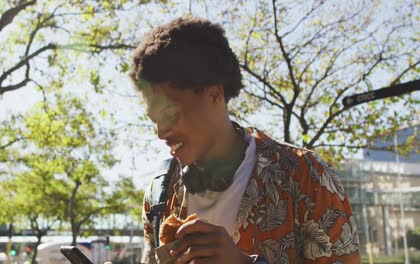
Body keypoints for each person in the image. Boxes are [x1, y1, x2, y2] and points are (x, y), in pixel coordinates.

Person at [129, 17, 361, 264]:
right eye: (154, 119)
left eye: (170, 114)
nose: (161, 132)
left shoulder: (305, 177)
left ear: (214, 94)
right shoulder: (160, 192)